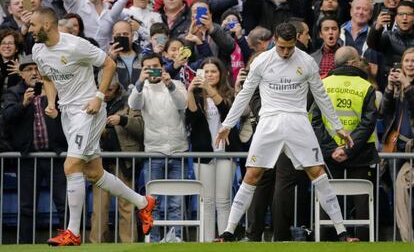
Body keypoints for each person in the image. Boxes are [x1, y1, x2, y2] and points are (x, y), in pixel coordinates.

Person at [213, 22, 358, 242]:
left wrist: (338, 126)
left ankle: (342, 232)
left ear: (295, 42)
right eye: (281, 47)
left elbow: (321, 96)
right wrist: (227, 124)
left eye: (290, 47)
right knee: (252, 175)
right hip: (269, 122)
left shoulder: (307, 62)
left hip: (298, 122)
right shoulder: (262, 61)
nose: (286, 52)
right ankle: (228, 231)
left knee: (318, 173)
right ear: (274, 41)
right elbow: (244, 94)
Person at [28, 7, 155, 246]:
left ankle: (73, 232)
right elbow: (47, 77)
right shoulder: (38, 50)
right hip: (68, 113)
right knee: (94, 173)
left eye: (33, 25)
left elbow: (108, 64)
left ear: (47, 25)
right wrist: (52, 102)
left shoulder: (76, 45)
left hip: (89, 111)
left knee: (71, 165)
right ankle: (143, 203)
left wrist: (98, 96)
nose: (29, 30)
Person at [311, 46, 379, 240]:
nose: (360, 63)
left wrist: (332, 149)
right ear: (352, 63)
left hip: (329, 154)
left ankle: (325, 240)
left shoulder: (323, 84)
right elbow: (368, 123)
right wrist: (348, 150)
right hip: (360, 153)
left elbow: (314, 120)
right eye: (358, 60)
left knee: (328, 199)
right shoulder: (366, 87)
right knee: (362, 202)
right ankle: (365, 241)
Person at [2, 55, 67, 243]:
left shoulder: (53, 89)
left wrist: (53, 102)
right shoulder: (14, 92)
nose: (33, 72)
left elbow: (67, 115)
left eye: (36, 68)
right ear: (21, 74)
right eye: (28, 69)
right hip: (28, 158)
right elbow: (7, 116)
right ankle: (25, 244)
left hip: (55, 156)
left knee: (63, 204)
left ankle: (68, 240)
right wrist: (23, 103)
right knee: (26, 206)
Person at [128, 52, 188, 242]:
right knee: (153, 202)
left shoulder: (176, 84)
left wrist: (169, 84)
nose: (153, 70)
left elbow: (183, 104)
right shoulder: (141, 88)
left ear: (163, 67)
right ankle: (153, 240)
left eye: (156, 66)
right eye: (148, 67)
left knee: (176, 201)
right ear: (143, 69)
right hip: (154, 151)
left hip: (178, 150)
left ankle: (175, 239)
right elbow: (133, 104)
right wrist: (139, 82)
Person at [186, 57, 241, 242]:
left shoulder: (229, 93)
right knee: (207, 201)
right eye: (205, 72)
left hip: (226, 153)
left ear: (221, 74)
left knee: (223, 200)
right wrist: (190, 91)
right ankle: (206, 241)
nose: (209, 75)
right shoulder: (197, 95)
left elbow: (226, 111)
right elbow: (191, 117)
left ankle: (224, 240)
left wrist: (209, 90)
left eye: (213, 71)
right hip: (204, 154)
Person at [89, 71, 144, 243]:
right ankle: (95, 245)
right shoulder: (93, 99)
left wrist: (122, 120)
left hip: (125, 161)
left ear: (117, 86)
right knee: (99, 208)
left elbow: (141, 127)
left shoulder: (130, 99)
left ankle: (129, 245)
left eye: (110, 89)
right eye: (103, 89)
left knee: (127, 206)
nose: (106, 93)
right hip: (100, 161)